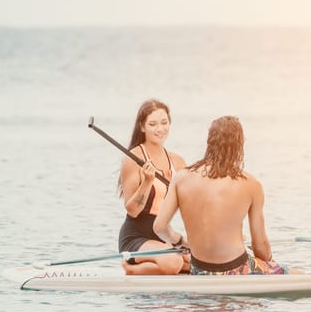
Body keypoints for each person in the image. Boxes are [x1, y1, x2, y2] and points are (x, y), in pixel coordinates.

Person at [154, 116, 300, 275]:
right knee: (296, 274)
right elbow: (260, 246)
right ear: (239, 145)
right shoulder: (251, 184)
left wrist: (180, 242)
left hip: (199, 269)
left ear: (210, 142)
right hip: (237, 268)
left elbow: (160, 227)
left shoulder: (181, 178)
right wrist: (269, 263)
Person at [117, 99, 189, 275]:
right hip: (136, 235)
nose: (160, 129)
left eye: (164, 123)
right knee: (174, 263)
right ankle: (131, 269)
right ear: (142, 127)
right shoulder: (133, 158)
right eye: (153, 124)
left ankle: (170, 262)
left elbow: (190, 204)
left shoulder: (177, 162)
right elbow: (133, 210)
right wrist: (147, 182)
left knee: (199, 261)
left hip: (163, 234)